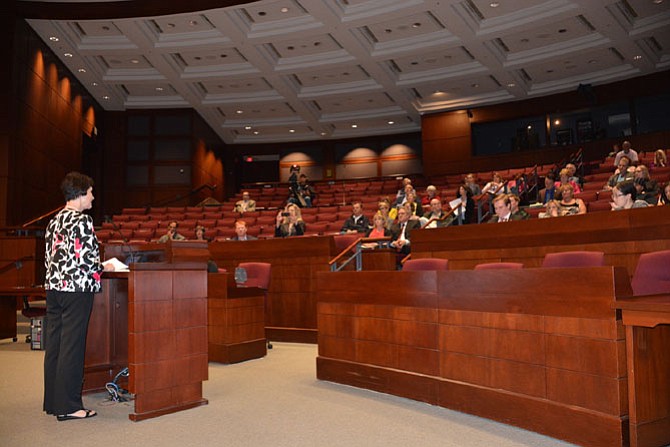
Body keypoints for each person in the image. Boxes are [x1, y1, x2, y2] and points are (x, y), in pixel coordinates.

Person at [44, 172, 115, 421]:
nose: (93, 197)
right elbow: (87, 261)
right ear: (81, 193)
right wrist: (105, 267)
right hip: (76, 290)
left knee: (56, 345)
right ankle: (70, 406)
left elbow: (50, 258)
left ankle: (54, 402)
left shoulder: (54, 221)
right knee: (72, 348)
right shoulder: (82, 221)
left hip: (54, 289)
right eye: (91, 192)